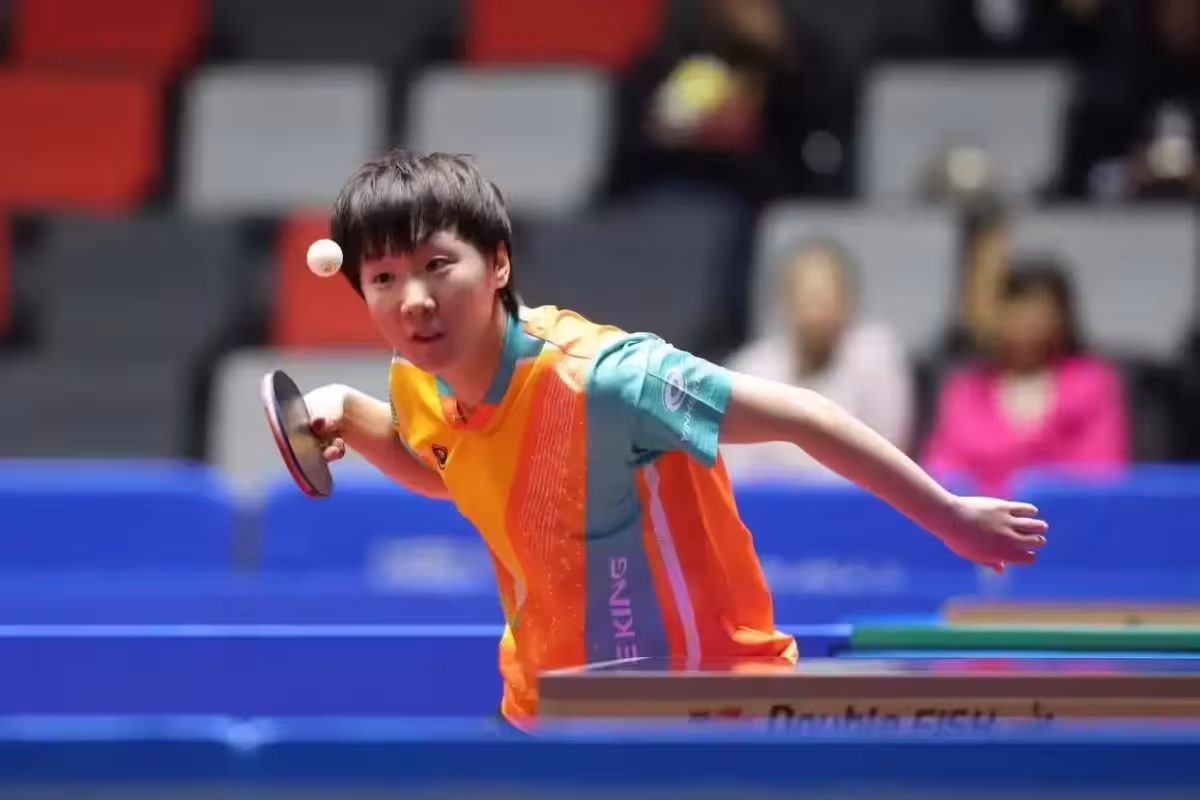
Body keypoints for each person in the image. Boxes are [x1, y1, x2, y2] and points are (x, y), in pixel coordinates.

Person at [302, 150, 1048, 732]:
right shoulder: (419, 383)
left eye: (437, 265)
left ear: (498, 263)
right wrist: (350, 413)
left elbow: (804, 414)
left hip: (702, 711)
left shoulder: (608, 380)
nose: (414, 300)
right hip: (550, 709)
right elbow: (450, 470)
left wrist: (949, 515)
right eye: (384, 278)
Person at [923, 259, 1130, 496]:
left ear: (1063, 316)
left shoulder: (1092, 383)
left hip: (1064, 517)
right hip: (975, 516)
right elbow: (941, 475)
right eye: (1013, 309)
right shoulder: (966, 389)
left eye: (1037, 311)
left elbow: (1101, 474)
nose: (1025, 323)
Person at [721, 238, 913, 480]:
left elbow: (889, 456)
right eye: (805, 295)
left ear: (851, 301)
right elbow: (734, 471)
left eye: (825, 296)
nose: (815, 310)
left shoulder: (877, 356)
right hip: (769, 501)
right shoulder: (749, 370)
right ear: (784, 303)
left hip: (858, 498)